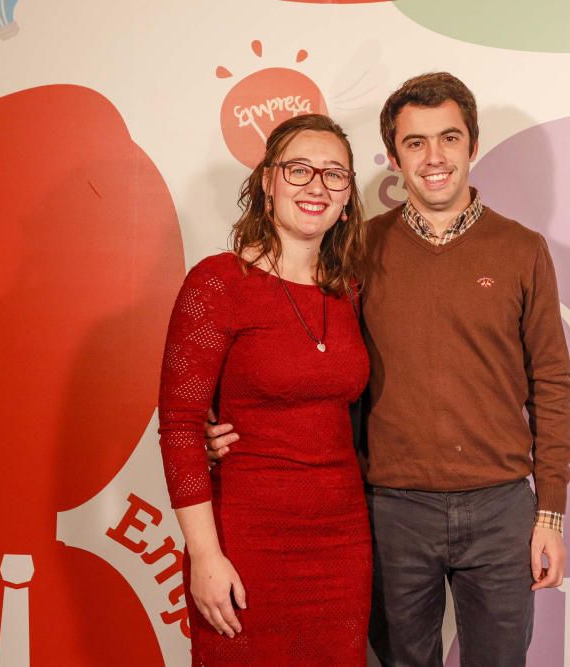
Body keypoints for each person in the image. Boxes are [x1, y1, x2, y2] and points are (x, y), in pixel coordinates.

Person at [208, 72, 570, 667]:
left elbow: (552, 386)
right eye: (415, 142)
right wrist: (219, 415)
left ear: (472, 146)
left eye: (449, 139)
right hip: (390, 511)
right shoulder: (354, 251)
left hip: (501, 508)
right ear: (393, 156)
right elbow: (303, 351)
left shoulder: (521, 249)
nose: (434, 158)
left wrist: (550, 513)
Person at [158, 113, 371, 665]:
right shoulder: (218, 283)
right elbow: (180, 428)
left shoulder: (350, 291)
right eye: (298, 170)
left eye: (334, 175)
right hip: (246, 540)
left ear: (347, 198)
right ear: (267, 183)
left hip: (343, 544)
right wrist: (204, 555)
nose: (316, 187)